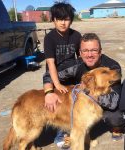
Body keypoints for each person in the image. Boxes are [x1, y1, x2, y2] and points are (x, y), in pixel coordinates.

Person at [43, 33, 125, 146]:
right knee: (69, 109)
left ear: (100, 51)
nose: (89, 54)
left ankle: (117, 127)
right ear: (80, 53)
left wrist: (87, 91)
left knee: (115, 117)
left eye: (94, 50)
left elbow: (113, 101)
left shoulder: (112, 67)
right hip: (83, 104)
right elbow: (49, 75)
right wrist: (48, 92)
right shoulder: (75, 65)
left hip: (104, 102)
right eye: (85, 51)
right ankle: (69, 131)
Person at [43, 2, 81, 149]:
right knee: (60, 105)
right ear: (53, 20)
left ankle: (75, 130)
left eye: (66, 19)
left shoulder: (76, 35)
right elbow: (50, 63)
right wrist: (57, 84)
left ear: (71, 20)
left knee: (75, 105)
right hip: (56, 75)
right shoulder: (49, 38)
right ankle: (61, 134)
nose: (63, 23)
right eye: (59, 19)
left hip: (73, 75)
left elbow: (81, 59)